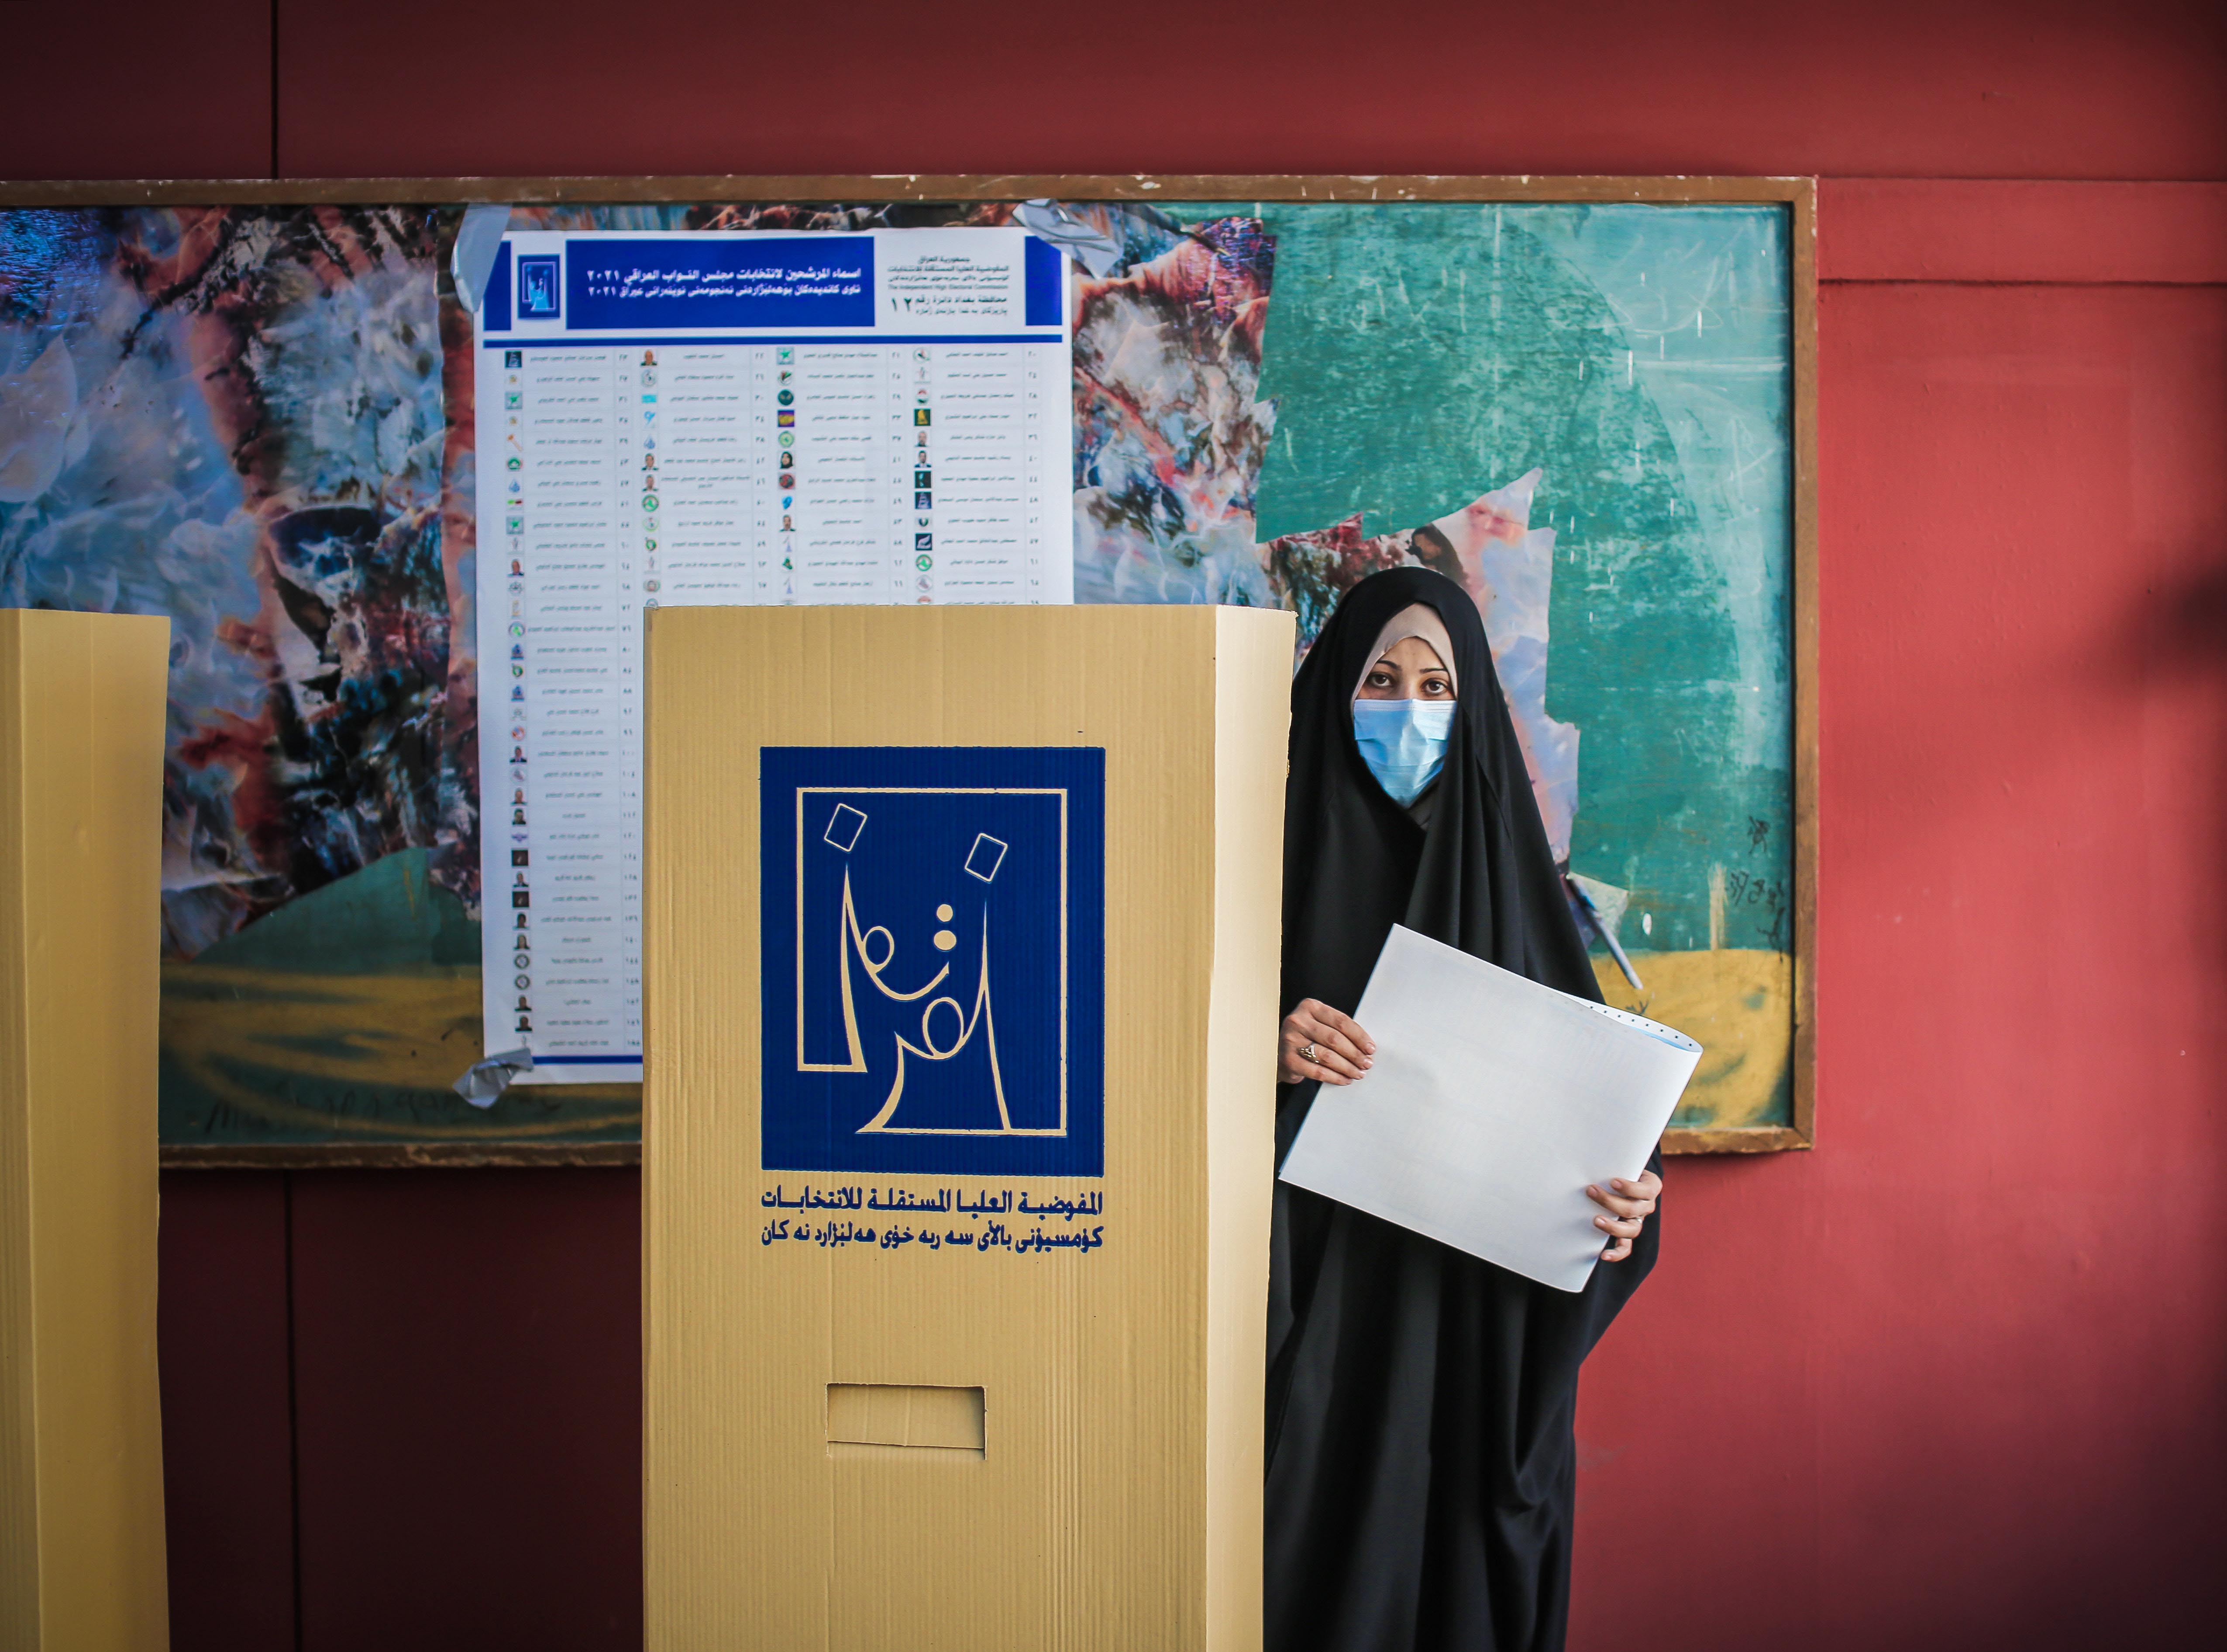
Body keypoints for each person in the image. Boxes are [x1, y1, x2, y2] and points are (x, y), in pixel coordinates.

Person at [1267, 565, 1662, 1652]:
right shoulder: (1250, 881)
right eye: (1378, 680)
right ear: (1328, 691)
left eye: (1437, 685)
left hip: (1466, 1367)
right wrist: (1262, 1058)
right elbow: (1154, 1103)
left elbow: (1604, 1160)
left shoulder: (1521, 900)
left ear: (1475, 704)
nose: (1407, 709)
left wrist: (1627, 1211)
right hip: (1307, 1365)